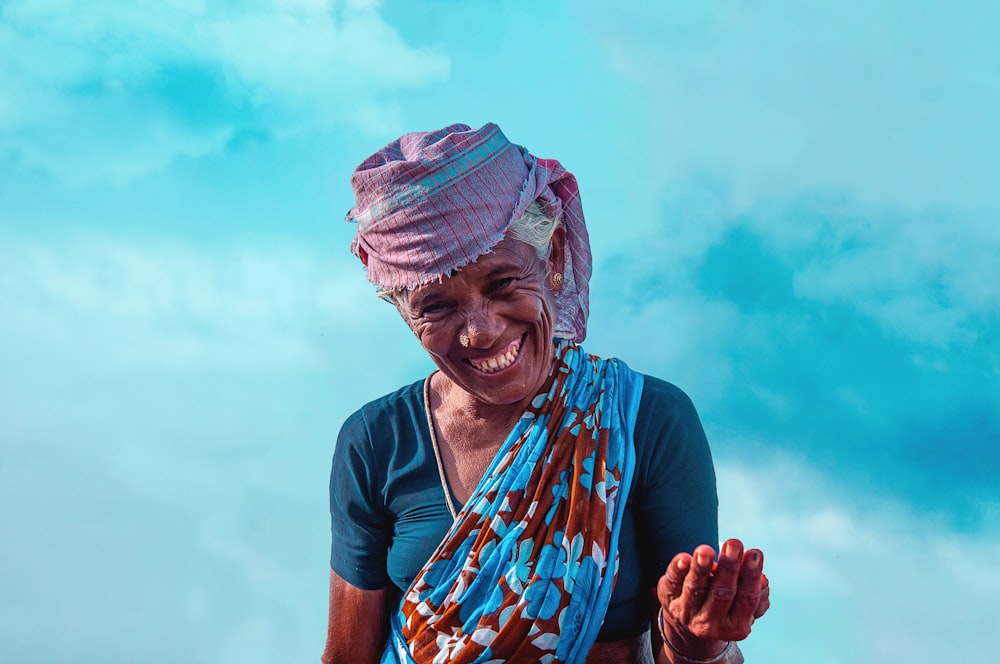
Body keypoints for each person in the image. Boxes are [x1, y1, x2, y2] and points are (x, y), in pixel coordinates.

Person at [323, 123, 770, 664]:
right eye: (436, 307)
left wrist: (694, 641)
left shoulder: (645, 421)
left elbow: (688, 635)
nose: (479, 331)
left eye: (503, 284)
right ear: (402, 311)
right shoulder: (375, 443)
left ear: (554, 255)